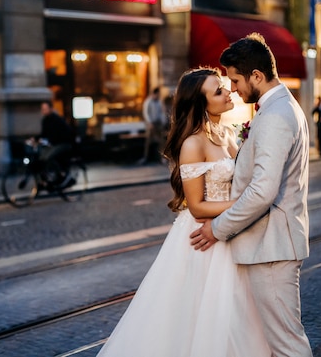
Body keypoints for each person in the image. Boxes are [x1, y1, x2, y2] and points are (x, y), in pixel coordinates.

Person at [97, 68, 272, 357]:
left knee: (239, 315)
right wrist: (247, 205)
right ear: (201, 104)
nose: (228, 91)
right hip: (205, 240)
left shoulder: (228, 132)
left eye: (225, 87)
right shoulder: (193, 143)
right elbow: (197, 206)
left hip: (232, 231)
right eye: (218, 91)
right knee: (205, 316)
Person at [190, 33, 313, 357]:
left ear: (256, 76)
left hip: (271, 248)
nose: (233, 89)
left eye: (235, 80)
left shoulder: (274, 116)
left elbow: (262, 192)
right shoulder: (279, 108)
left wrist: (217, 229)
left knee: (286, 345)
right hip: (268, 245)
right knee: (274, 343)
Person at [36, 101, 75, 182]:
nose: (44, 111)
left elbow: (61, 134)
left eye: (46, 109)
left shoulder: (57, 119)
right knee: (41, 157)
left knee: (49, 157)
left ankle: (61, 173)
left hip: (63, 143)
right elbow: (44, 133)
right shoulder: (45, 120)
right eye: (43, 109)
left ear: (51, 109)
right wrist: (36, 139)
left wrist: (48, 140)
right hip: (54, 143)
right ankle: (48, 177)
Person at [140, 87, 167, 164]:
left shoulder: (159, 102)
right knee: (148, 141)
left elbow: (162, 112)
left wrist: (163, 121)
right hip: (151, 123)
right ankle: (146, 157)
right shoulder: (148, 102)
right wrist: (149, 122)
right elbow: (146, 113)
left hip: (158, 123)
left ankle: (162, 158)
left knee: (161, 141)